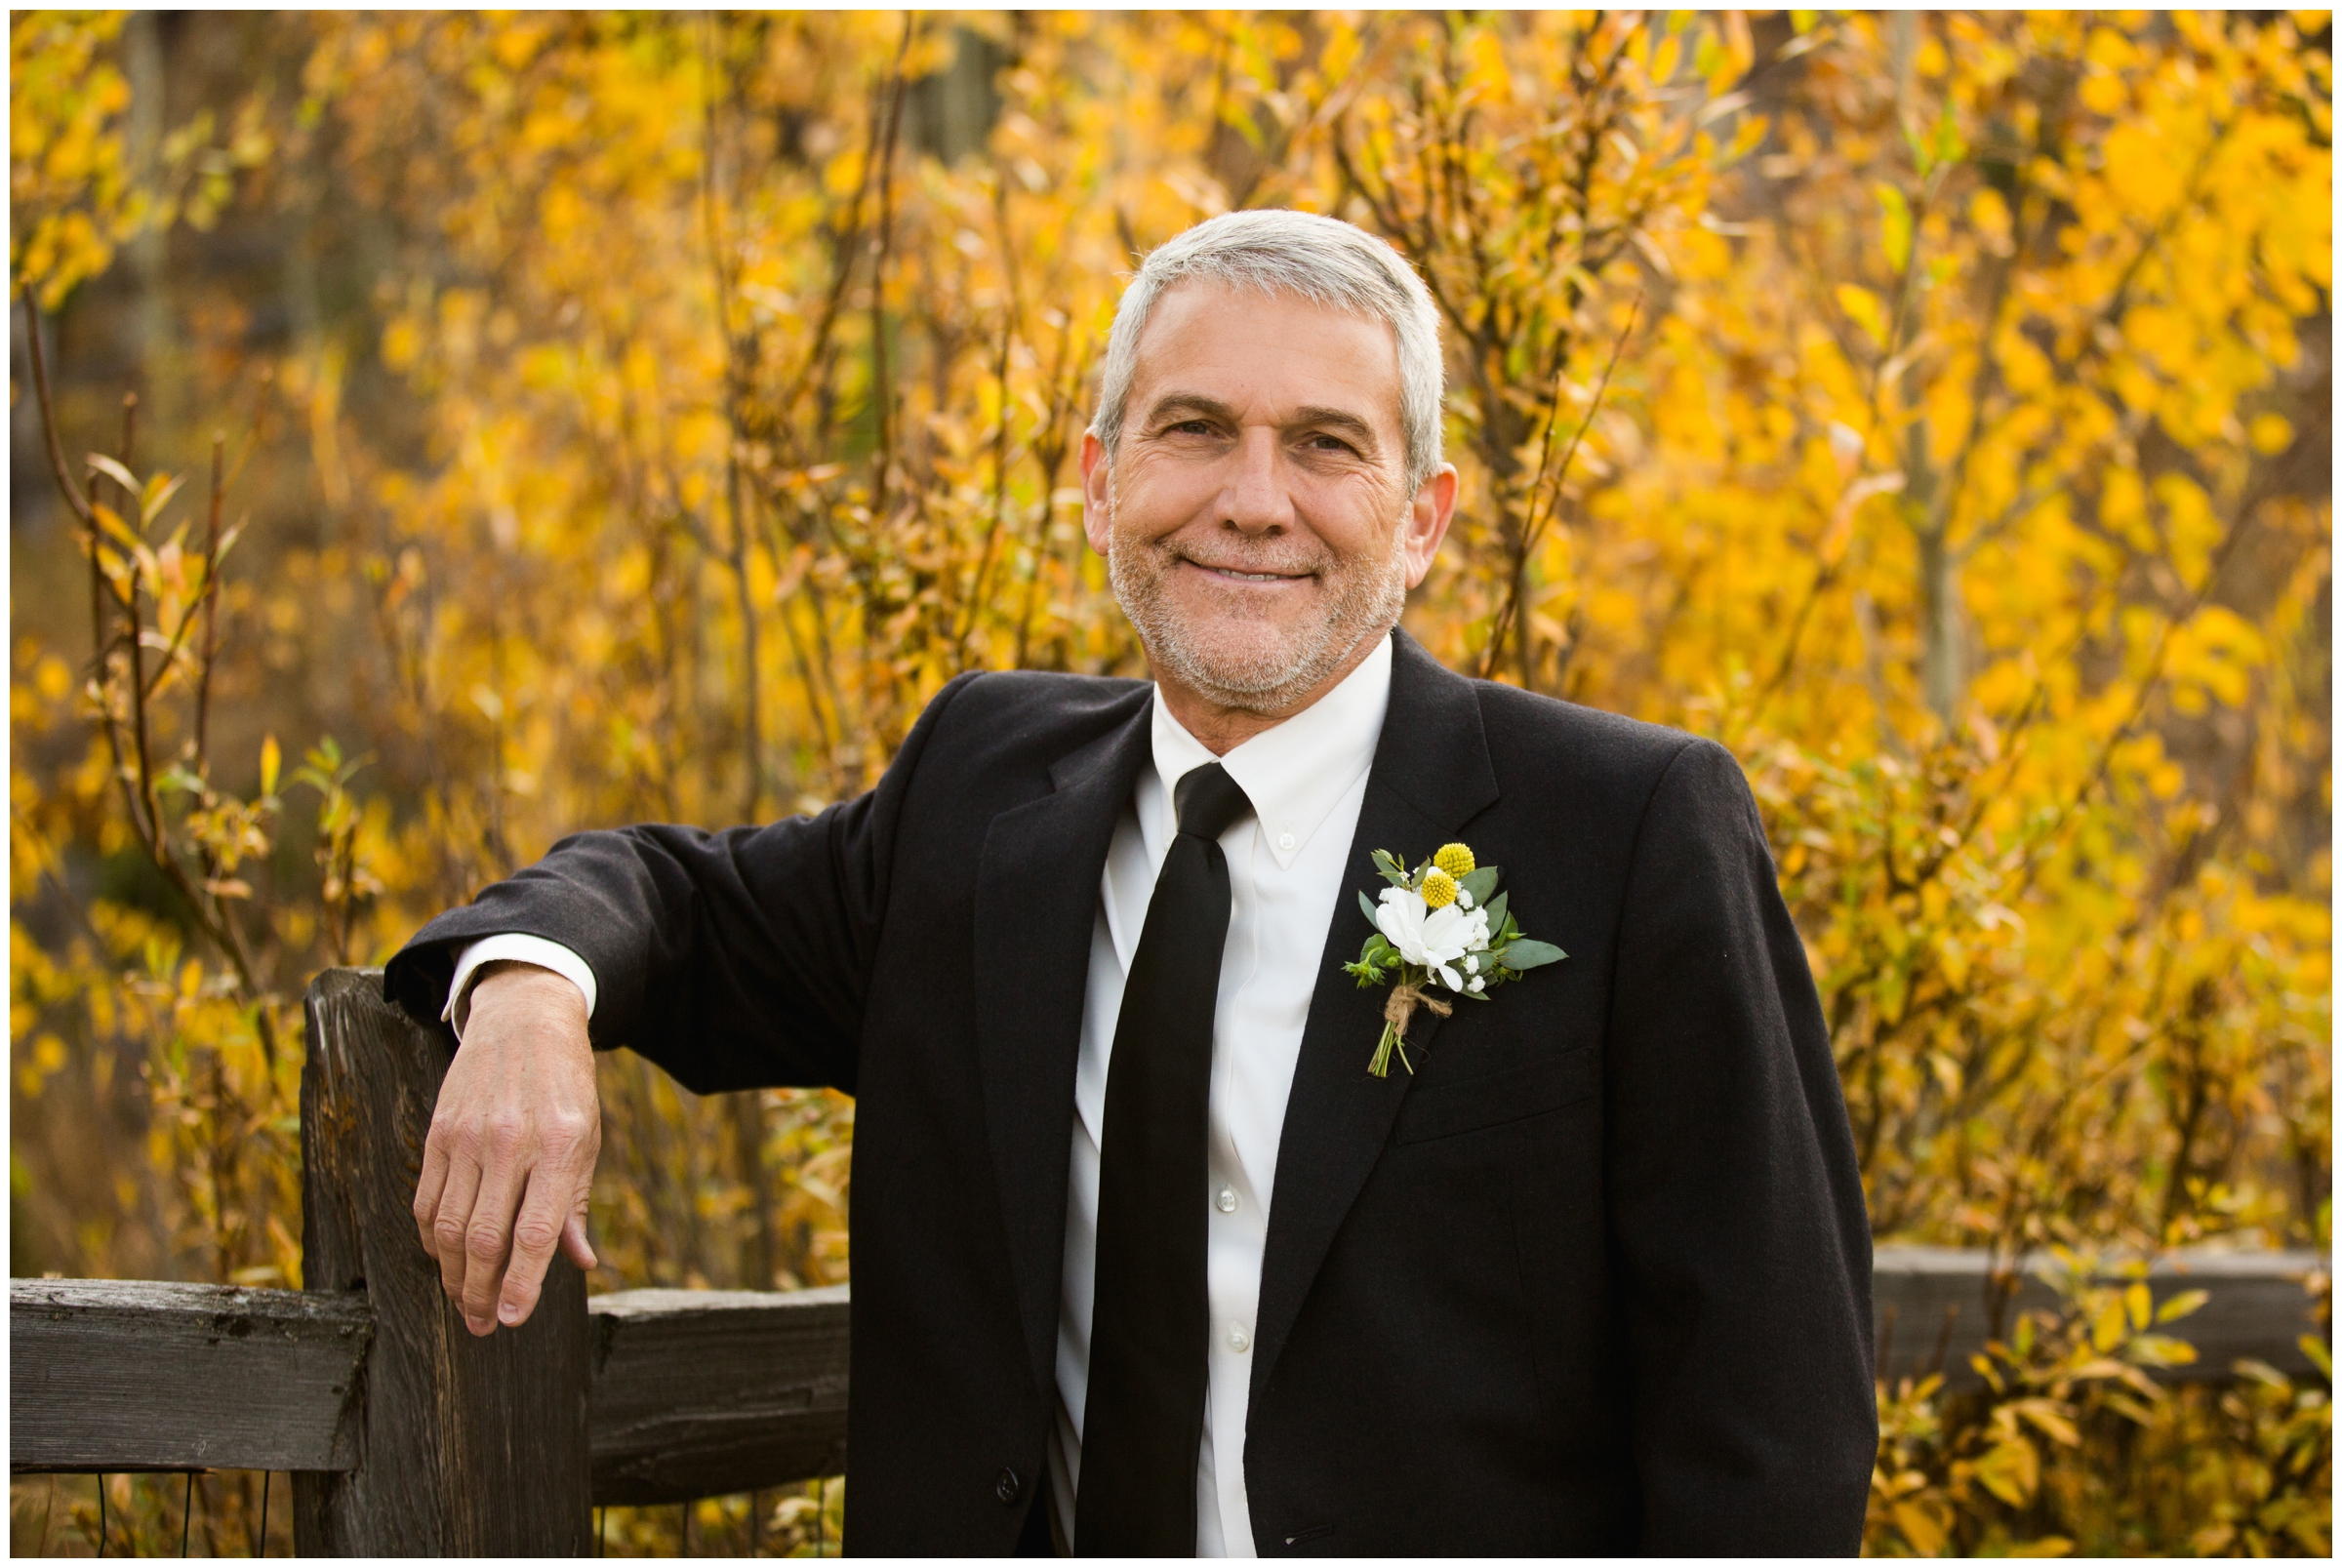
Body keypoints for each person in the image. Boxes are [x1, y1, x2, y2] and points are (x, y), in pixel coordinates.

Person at [386, 209, 1876, 1556]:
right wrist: (530, 990)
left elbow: (1774, 1423)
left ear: (1422, 515)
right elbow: (677, 901)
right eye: (1194, 429)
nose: (1252, 499)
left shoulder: (1624, 831)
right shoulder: (981, 792)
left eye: (1327, 446)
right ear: (1102, 484)